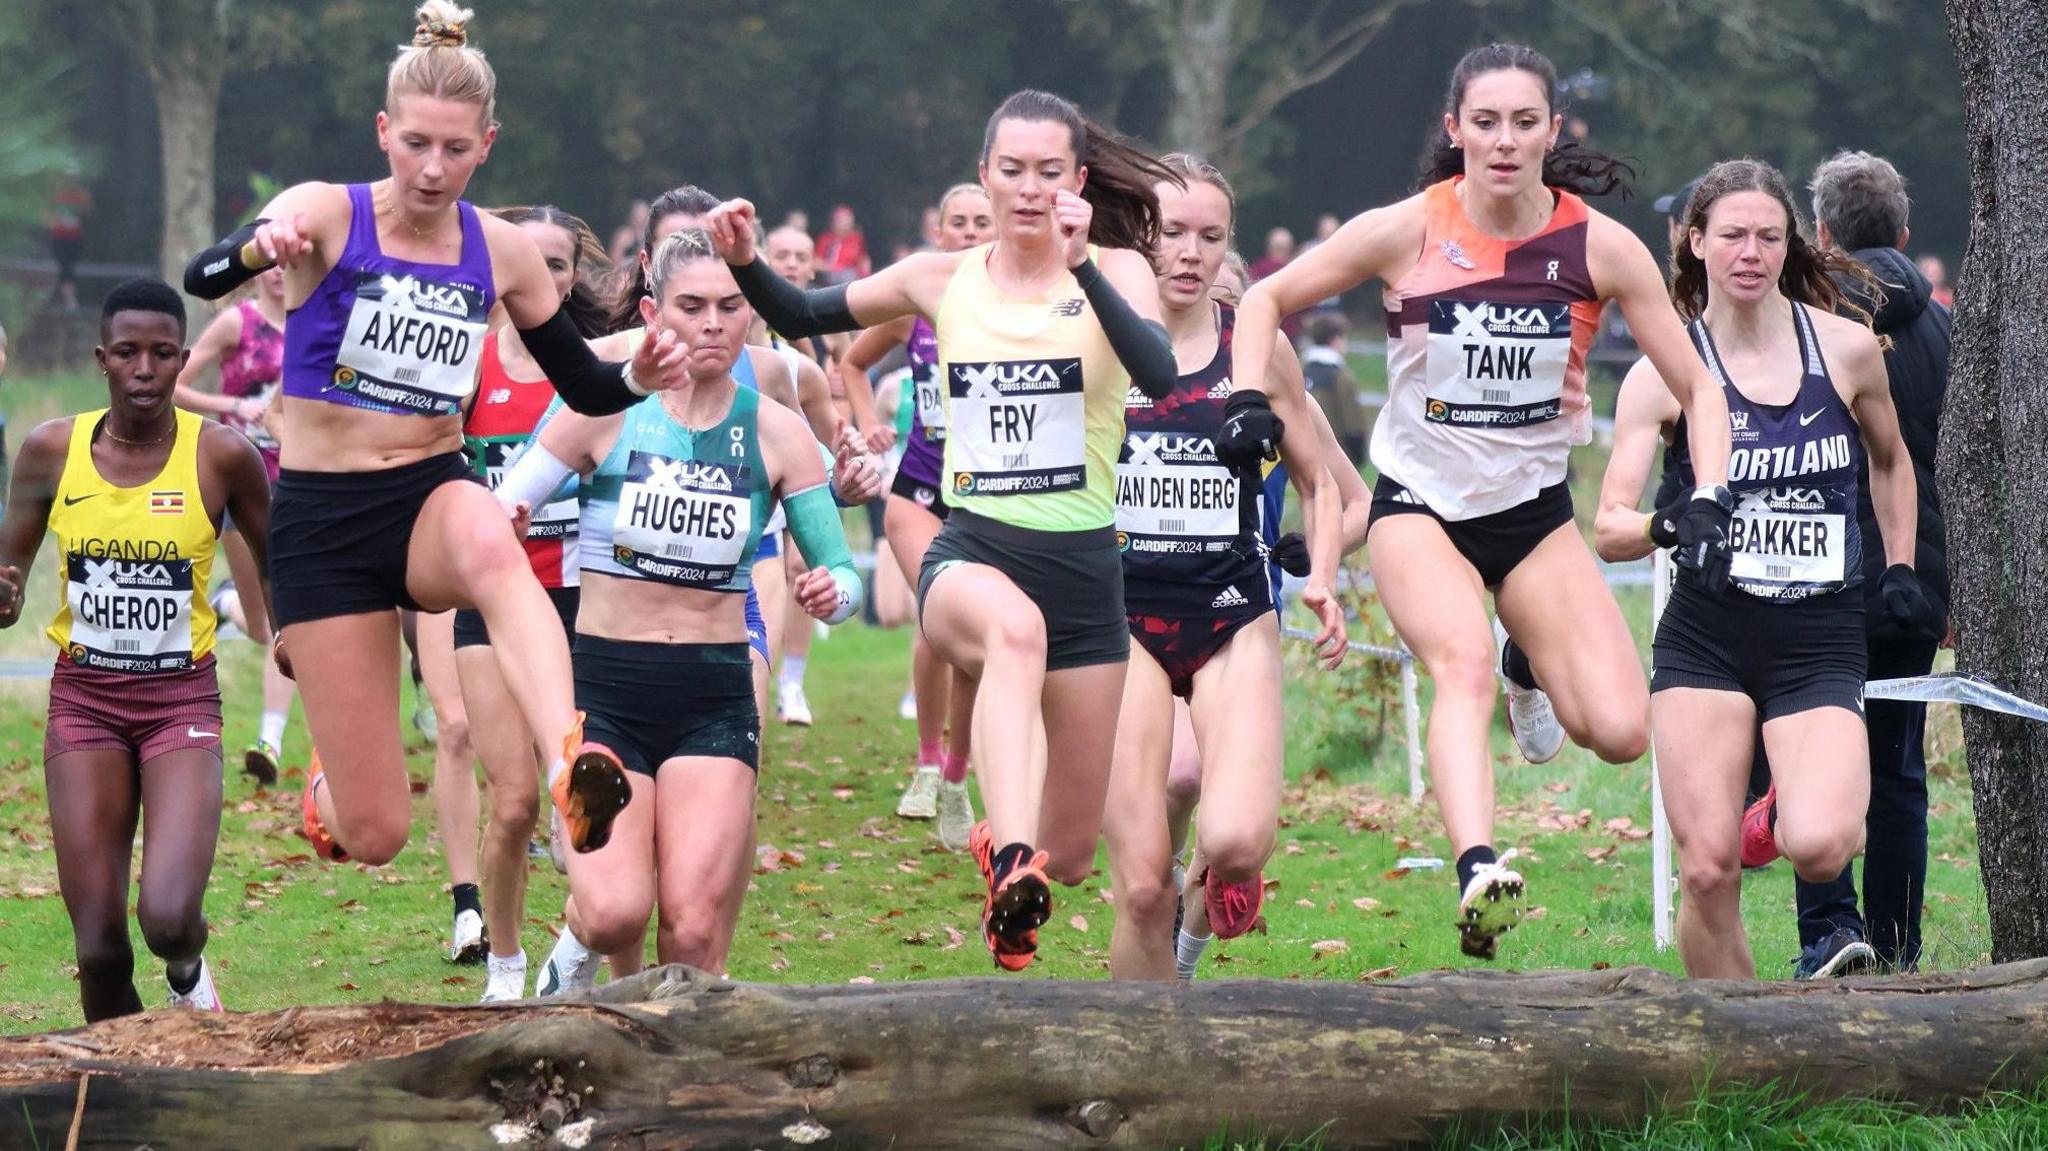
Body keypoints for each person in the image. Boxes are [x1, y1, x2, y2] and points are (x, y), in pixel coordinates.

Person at [708, 89, 1329, 970]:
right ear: (984, 177)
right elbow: (810, 312)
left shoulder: (1116, 272)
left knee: (1073, 856)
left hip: (1087, 578)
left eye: (1048, 172)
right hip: (975, 552)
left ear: (1076, 182)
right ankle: (1005, 856)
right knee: (1011, 629)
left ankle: (1024, 862)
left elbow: (1156, 370)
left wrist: (1081, 269)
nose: (1029, 189)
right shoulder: (939, 277)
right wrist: (742, 263)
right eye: (1011, 170)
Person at [1232, 43, 1738, 960]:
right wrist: (1242, 404)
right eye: (1487, 121)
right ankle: (1477, 868)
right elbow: (1264, 299)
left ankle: (1528, 665)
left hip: (1533, 515)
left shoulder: (1600, 248)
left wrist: (1710, 494)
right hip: (1419, 504)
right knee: (1455, 665)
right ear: (1455, 128)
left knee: (1622, 731)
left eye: (1525, 122)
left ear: (1553, 132)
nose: (1505, 141)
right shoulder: (1407, 229)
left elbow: (1699, 389)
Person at [181, 2, 688, 869]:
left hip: (427, 493)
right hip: (324, 523)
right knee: (375, 835)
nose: (432, 168)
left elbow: (587, 384)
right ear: (384, 131)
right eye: (416, 143)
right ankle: (326, 790)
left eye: (456, 149)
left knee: (492, 534)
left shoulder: (500, 250)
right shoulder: (326, 214)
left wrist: (639, 377)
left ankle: (572, 757)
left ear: (487, 144)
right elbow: (204, 273)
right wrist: (262, 250)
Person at [497, 228, 863, 987]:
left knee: (693, 931)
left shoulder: (778, 433)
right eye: (692, 306)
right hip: (606, 688)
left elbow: (841, 570)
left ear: (752, 316)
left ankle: (673, 1092)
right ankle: (574, 943)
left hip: (713, 693)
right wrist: (510, 514)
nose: (713, 324)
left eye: (732, 307)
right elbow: (507, 503)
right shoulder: (600, 408)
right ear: (652, 311)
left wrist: (835, 590)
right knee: (612, 914)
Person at [1592, 158, 1927, 980]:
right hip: (1707, 637)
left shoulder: (1846, 350)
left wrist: (1900, 567)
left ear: (1793, 244)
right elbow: (1607, 527)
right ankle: (1743, 1058)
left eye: (1770, 236)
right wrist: (1670, 524)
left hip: (1818, 637)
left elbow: (1891, 462)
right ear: (1695, 242)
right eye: (1733, 235)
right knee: (1707, 869)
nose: (1752, 252)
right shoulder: (1660, 373)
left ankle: (1783, 795)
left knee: (1820, 844)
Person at [1101, 154, 1348, 981]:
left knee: (1238, 842)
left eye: (1210, 236)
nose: (1190, 253)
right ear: (1140, 237)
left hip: (1233, 611)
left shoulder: (1255, 344)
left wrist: (1322, 577)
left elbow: (1321, 483)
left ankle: (1192, 928)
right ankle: (1148, 1071)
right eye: (1171, 232)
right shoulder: (1095, 334)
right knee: (1138, 887)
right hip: (1122, 618)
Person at [0, 278, 273, 1019]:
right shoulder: (51, 450)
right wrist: (7, 590)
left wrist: (297, 639)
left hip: (178, 699)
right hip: (85, 701)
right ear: (102, 359)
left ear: (183, 359)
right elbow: (11, 571)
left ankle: (188, 972)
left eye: (161, 353)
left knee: (168, 918)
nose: (145, 368)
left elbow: (280, 562)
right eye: (128, 352)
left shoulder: (221, 457)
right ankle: (125, 1104)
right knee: (98, 949)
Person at [1778, 150, 1950, 976]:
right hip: (1915, 582)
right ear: (1905, 233)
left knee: (1814, 753)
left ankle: (1829, 931)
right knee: (1898, 769)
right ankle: (1897, 948)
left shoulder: (1801, 318)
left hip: (1818, 572)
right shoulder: (1951, 327)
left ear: (1822, 233)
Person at [450, 204, 608, 998]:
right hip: (493, 603)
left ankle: (581, 947)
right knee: (512, 801)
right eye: (528, 261)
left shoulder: (592, 363)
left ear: (575, 277)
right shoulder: (470, 361)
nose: (541, 277)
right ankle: (507, 964)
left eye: (557, 264)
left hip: (588, 599)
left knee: (582, 788)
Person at [836, 184, 994, 849]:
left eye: (979, 221)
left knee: (974, 648)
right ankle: (929, 764)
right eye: (955, 221)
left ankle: (959, 777)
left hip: (992, 492)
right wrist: (869, 421)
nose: (966, 232)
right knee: (936, 625)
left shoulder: (1025, 306)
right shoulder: (918, 304)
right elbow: (851, 361)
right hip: (923, 485)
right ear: (940, 230)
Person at [173, 267, 298, 784]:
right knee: (264, 625)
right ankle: (227, 603)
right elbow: (177, 387)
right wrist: (235, 406)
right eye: (269, 264)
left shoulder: (317, 323)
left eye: (287, 263)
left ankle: (268, 740)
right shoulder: (236, 325)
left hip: (299, 487)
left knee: (293, 621)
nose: (279, 274)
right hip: (240, 488)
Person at [1301, 312, 1365, 463]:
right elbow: (1352, 420)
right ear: (1335, 340)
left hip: (1304, 452)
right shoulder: (1341, 376)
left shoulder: (1301, 370)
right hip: (1337, 455)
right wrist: (1358, 453)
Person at [814, 204, 871, 286]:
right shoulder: (826, 238)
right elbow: (816, 262)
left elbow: (863, 260)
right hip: (831, 275)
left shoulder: (857, 239)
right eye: (841, 219)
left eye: (848, 219)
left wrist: (866, 276)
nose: (845, 222)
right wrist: (834, 268)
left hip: (852, 278)